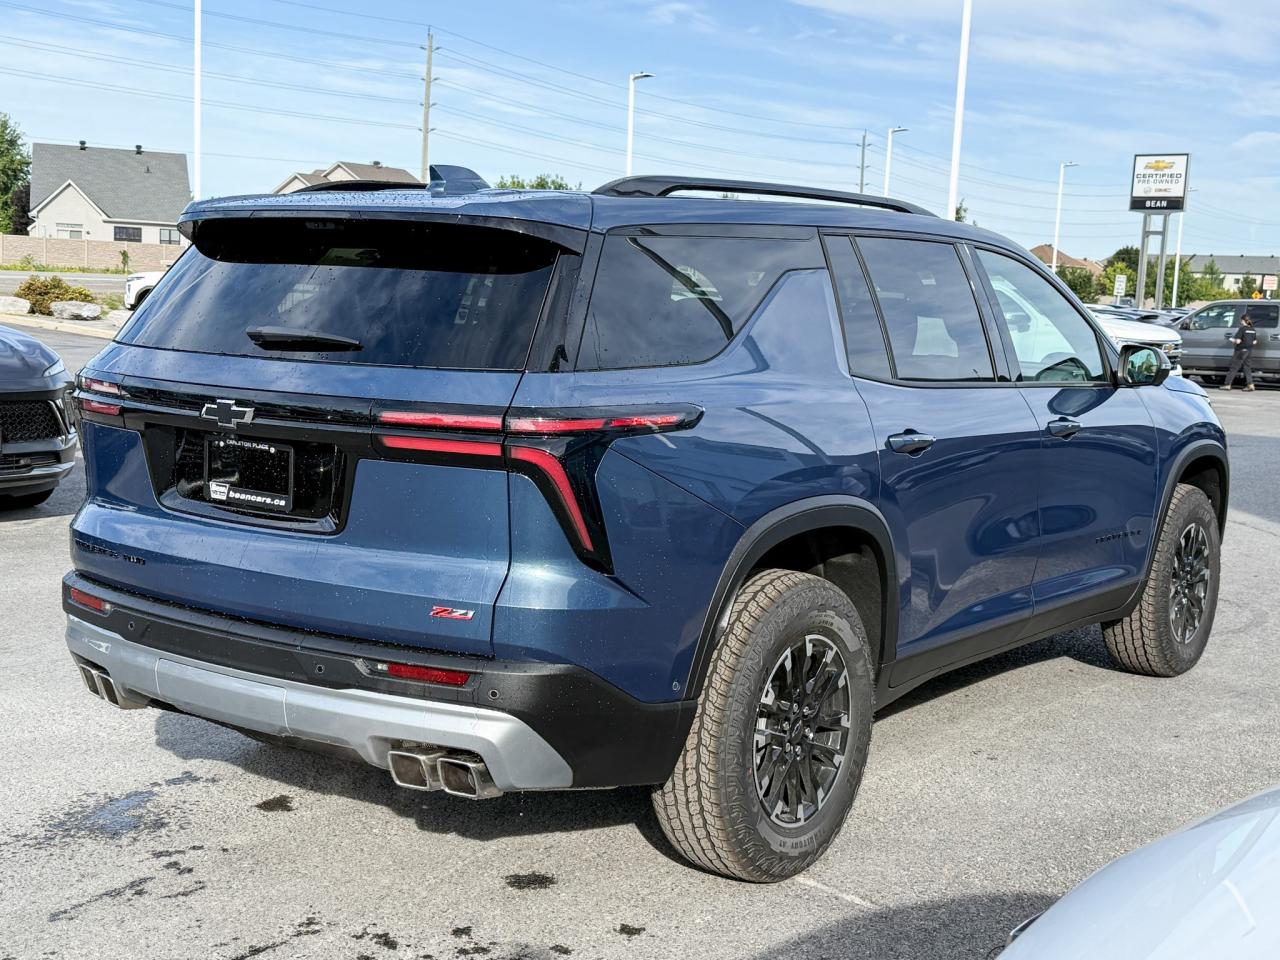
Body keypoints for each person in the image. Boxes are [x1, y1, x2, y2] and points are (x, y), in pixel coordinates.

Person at [1222, 310, 1259, 391]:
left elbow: (1238, 341)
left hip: (1240, 351)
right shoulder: (1253, 329)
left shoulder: (1242, 329)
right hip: (1249, 351)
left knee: (1234, 367)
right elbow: (1255, 342)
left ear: (1243, 321)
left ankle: (1227, 385)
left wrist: (1231, 339)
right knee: (1247, 368)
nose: (1240, 322)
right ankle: (1250, 385)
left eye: (1241, 320)